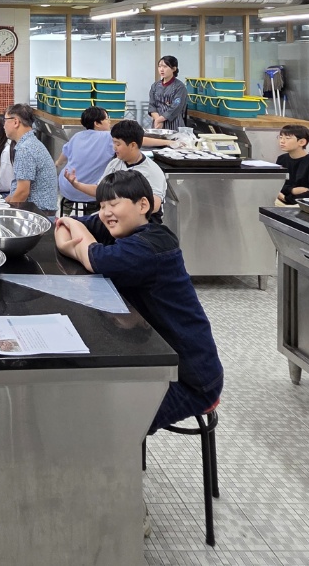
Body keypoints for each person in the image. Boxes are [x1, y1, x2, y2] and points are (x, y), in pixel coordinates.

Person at [54, 170, 223, 435]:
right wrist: (77, 239)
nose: (105, 213)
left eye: (114, 204)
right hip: (153, 361)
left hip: (189, 379)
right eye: (102, 206)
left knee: (104, 429)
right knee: (83, 399)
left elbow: (96, 258)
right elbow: (66, 225)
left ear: (143, 205)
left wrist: (74, 246)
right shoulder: (120, 226)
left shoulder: (152, 244)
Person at [64, 119, 167, 215]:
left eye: (118, 144)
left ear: (133, 145)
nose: (114, 148)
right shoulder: (114, 164)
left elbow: (154, 205)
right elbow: (100, 190)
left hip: (141, 220)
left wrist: (121, 211)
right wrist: (77, 185)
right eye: (113, 143)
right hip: (114, 216)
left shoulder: (152, 171)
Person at [56, 106, 115, 212]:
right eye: (107, 119)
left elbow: (64, 154)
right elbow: (136, 140)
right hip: (89, 191)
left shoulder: (77, 136)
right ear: (97, 123)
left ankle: (67, 215)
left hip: (67, 186)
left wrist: (57, 163)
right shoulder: (109, 137)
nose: (110, 121)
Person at [3, 104, 59, 216]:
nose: (3, 126)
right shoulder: (30, 143)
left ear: (15, 122)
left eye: (5, 121)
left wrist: (7, 215)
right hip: (39, 211)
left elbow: (22, 192)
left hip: (38, 214)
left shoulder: (25, 149)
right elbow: (17, 188)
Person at [275, 124, 309, 205]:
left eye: (287, 138)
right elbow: (276, 184)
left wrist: (286, 198)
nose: (282, 141)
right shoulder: (282, 159)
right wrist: (292, 190)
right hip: (284, 201)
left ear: (302, 142)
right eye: (280, 137)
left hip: (307, 205)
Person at [149, 56, 189, 131]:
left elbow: (176, 107)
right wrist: (157, 120)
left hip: (174, 124)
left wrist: (160, 119)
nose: (161, 69)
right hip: (157, 124)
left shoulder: (180, 87)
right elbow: (152, 106)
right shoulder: (155, 86)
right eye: (159, 66)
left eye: (165, 66)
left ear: (174, 69)